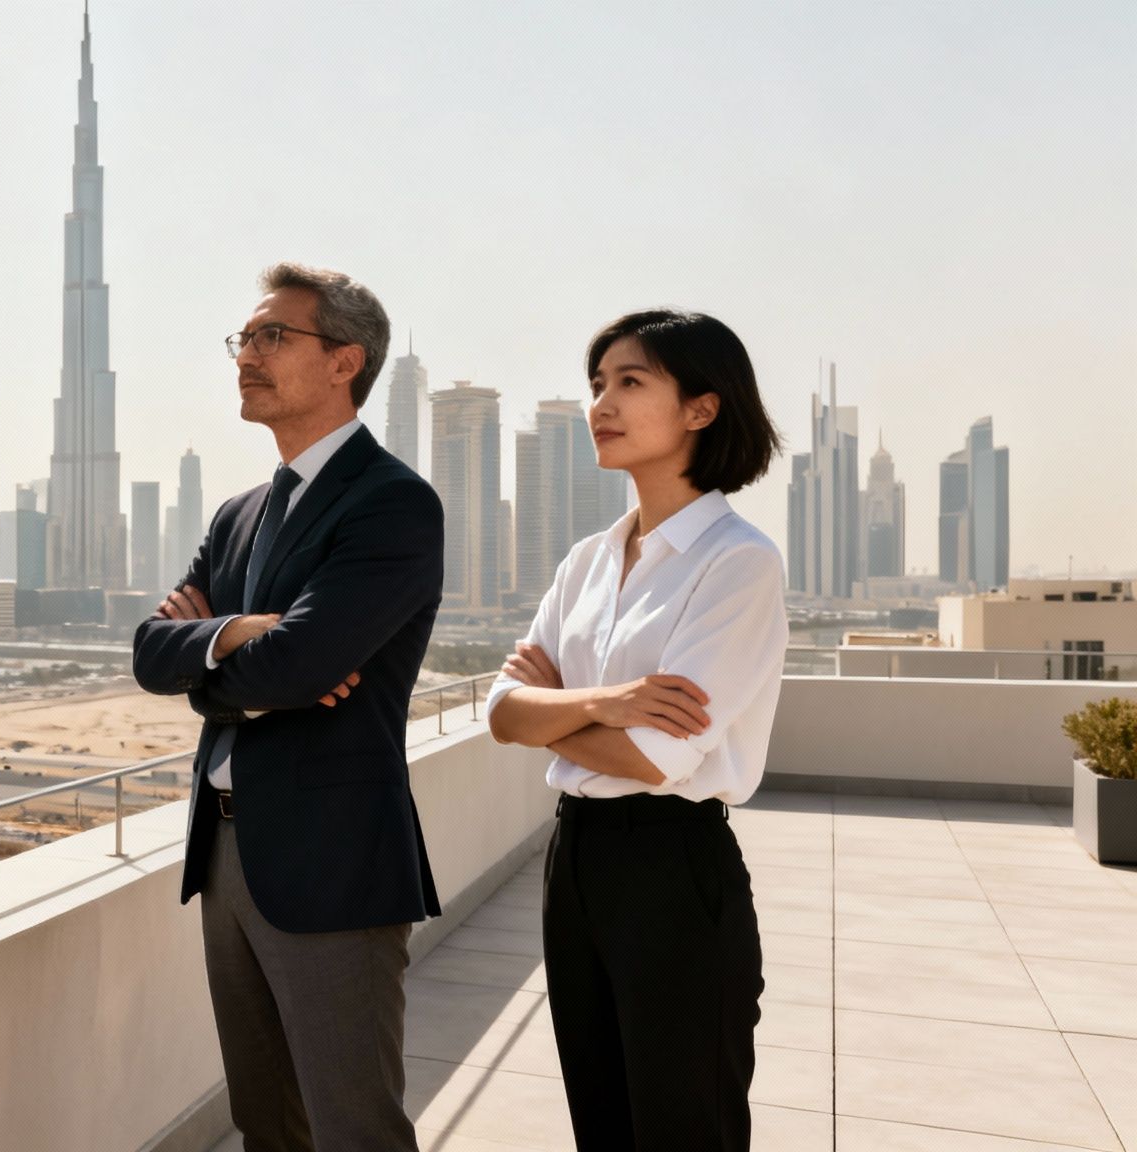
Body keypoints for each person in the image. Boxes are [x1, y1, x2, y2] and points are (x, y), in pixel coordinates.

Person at [133, 263, 443, 1151]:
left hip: (332, 861)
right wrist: (240, 637)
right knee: (265, 1122)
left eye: (274, 336)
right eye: (245, 338)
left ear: (346, 361)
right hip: (226, 853)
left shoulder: (392, 503)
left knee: (353, 1128)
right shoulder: (238, 515)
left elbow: (300, 665)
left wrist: (225, 665)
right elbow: (149, 653)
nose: (247, 356)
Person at [487, 309, 789, 1149]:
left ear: (702, 407)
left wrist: (558, 711)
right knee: (602, 1121)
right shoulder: (586, 560)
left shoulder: (738, 561)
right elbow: (502, 712)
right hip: (573, 860)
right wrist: (606, 701)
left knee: (684, 1126)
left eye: (630, 381)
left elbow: (652, 759)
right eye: (597, 384)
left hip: (673, 868)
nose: (601, 404)